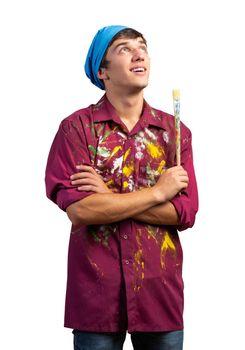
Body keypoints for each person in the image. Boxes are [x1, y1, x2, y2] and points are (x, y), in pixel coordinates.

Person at [45, 25, 198, 350]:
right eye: (124, 48)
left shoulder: (175, 133)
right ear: (103, 71)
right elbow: (82, 210)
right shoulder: (77, 130)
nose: (139, 53)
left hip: (160, 296)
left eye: (142, 46)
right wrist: (158, 192)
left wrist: (108, 197)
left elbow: (184, 213)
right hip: (97, 295)